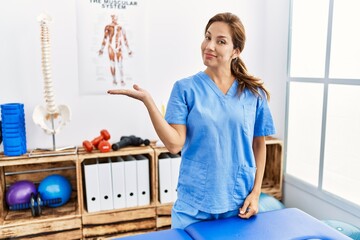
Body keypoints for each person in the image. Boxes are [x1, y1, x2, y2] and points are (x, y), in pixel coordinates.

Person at [108, 12, 276, 229]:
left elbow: (258, 144)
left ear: (236, 51)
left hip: (238, 204)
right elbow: (174, 144)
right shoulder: (185, 89)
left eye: (220, 41)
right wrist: (148, 102)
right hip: (195, 205)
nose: (209, 46)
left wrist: (256, 192)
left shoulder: (253, 94)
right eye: (207, 37)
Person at [99, 14, 132, 86]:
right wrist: (101, 49)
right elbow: (105, 38)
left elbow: (125, 39)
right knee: (112, 64)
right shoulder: (108, 27)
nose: (114, 19)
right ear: (111, 18)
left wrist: (128, 50)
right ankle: (114, 79)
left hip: (118, 47)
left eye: (116, 17)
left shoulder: (121, 27)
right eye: (113, 17)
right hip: (111, 47)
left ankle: (122, 80)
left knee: (120, 65)